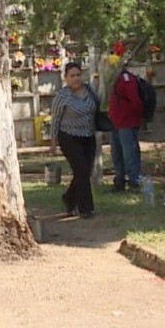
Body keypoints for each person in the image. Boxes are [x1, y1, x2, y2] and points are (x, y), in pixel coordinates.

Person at [49, 62, 97, 218]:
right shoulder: (62, 96)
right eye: (72, 76)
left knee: (86, 171)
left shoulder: (89, 90)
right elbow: (55, 120)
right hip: (69, 137)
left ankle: (69, 197)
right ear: (66, 78)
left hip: (88, 136)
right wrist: (53, 142)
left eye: (78, 75)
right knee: (81, 169)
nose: (76, 78)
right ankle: (86, 209)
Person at [108, 66, 144, 191]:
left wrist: (136, 117)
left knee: (130, 154)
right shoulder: (113, 80)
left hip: (127, 122)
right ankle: (119, 180)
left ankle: (134, 182)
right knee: (116, 154)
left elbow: (135, 100)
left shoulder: (126, 78)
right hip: (115, 123)